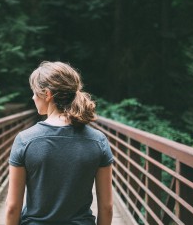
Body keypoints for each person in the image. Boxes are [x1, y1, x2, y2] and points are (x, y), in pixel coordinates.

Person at [6, 61, 114, 225]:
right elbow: (106, 207)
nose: (33, 97)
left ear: (47, 94)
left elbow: (13, 207)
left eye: (35, 92)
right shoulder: (98, 140)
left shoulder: (25, 140)